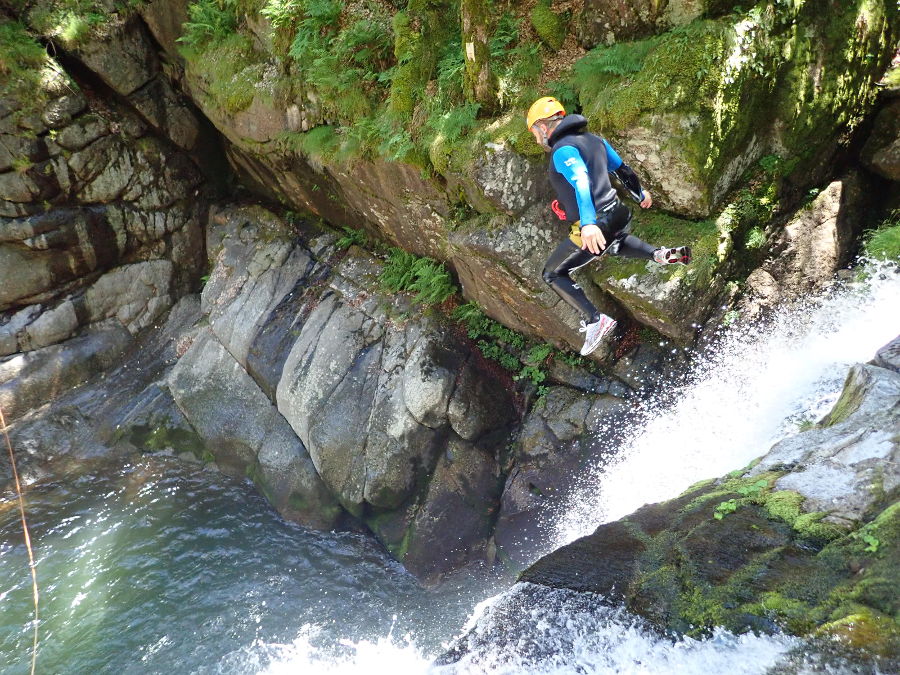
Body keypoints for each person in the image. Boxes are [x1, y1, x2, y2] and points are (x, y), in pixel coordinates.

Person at [526, 96, 692, 356]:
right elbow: (622, 169)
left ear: (543, 127)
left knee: (552, 274)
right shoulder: (596, 141)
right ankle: (659, 254)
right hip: (618, 213)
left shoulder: (562, 151)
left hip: (596, 221)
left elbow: (581, 180)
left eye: (535, 132)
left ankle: (595, 319)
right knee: (612, 245)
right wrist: (640, 194)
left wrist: (588, 224)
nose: (537, 140)